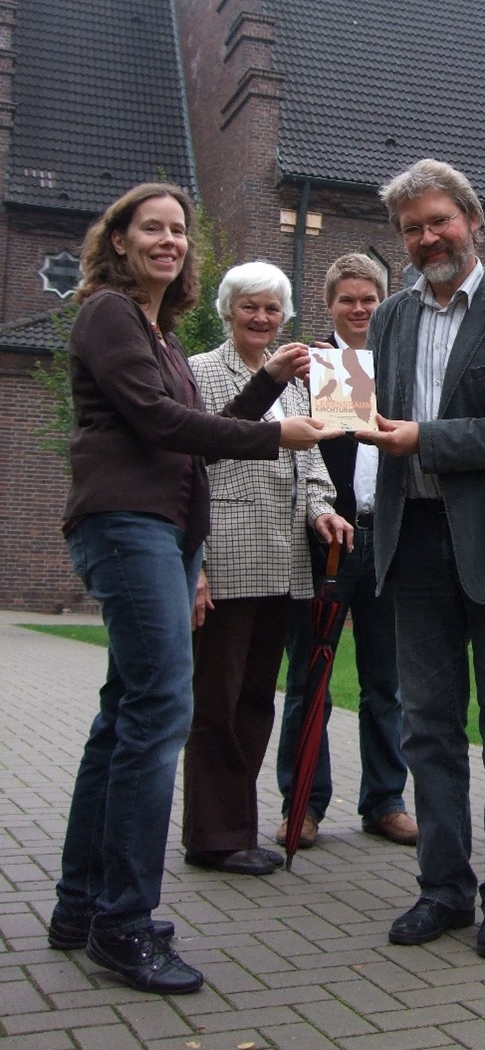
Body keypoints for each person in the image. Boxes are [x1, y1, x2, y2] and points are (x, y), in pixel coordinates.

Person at [49, 184, 329, 996]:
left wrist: (272, 382)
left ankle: (81, 903)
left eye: (178, 229)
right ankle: (125, 921)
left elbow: (202, 436)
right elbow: (162, 427)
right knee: (162, 709)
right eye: (152, 228)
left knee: (123, 711)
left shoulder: (160, 335)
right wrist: (280, 429)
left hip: (166, 528)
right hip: (128, 524)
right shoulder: (106, 312)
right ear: (121, 240)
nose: (168, 240)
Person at [356, 158, 485, 960]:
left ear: (473, 221)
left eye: (438, 220)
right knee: (429, 729)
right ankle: (442, 888)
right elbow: (382, 418)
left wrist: (427, 439)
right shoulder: (390, 320)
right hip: (413, 539)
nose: (425, 237)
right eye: (411, 228)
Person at [182, 262, 349, 875]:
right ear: (229, 310)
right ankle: (212, 836)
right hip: (225, 557)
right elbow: (192, 465)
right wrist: (192, 564)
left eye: (272, 310)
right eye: (250, 307)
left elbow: (310, 466)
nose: (261, 319)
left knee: (256, 700)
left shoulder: (302, 381)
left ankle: (236, 830)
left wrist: (323, 512)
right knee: (217, 702)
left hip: (283, 562)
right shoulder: (199, 371)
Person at [275, 253, 416, 849]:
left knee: (388, 681)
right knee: (312, 678)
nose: (359, 309)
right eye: (347, 300)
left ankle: (385, 800)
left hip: (388, 539)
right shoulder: (310, 367)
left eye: (369, 299)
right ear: (329, 305)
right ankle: (303, 802)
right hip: (326, 541)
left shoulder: (402, 367)